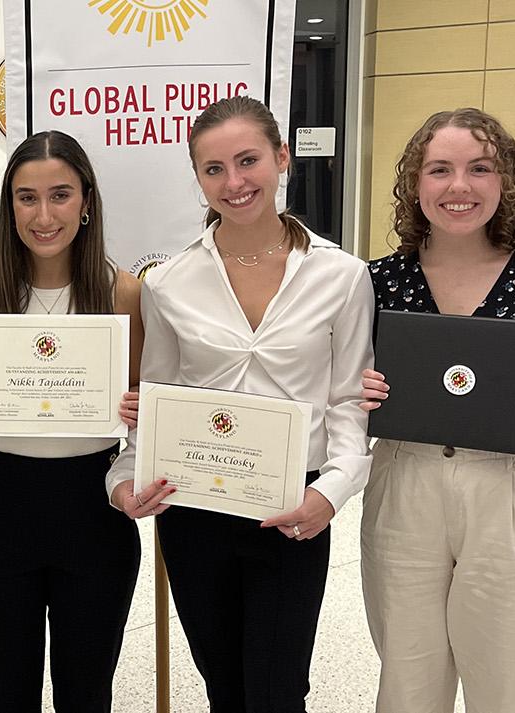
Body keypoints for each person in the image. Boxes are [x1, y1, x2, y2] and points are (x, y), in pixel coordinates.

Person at [106, 95, 374, 711]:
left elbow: (348, 403)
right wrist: (125, 476)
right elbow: (158, 403)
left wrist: (329, 493)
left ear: (282, 158)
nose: (235, 182)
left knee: (280, 691)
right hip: (195, 511)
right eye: (214, 169)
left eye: (248, 160)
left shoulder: (341, 276)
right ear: (197, 178)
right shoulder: (168, 282)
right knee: (223, 684)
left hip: (292, 508)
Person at [359, 108, 515, 713]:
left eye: (479, 168)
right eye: (440, 170)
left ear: (505, 179)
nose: (459, 187)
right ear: (414, 183)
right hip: (407, 481)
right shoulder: (376, 282)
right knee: (408, 682)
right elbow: (343, 385)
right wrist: (360, 393)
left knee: (509, 685)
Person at [0, 130, 144, 712]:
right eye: (27, 197)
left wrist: (139, 409)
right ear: (10, 206)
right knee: (8, 691)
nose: (43, 214)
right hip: (0, 504)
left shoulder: (121, 293)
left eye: (60, 194)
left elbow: (143, 413)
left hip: (93, 506)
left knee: (86, 691)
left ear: (86, 202)